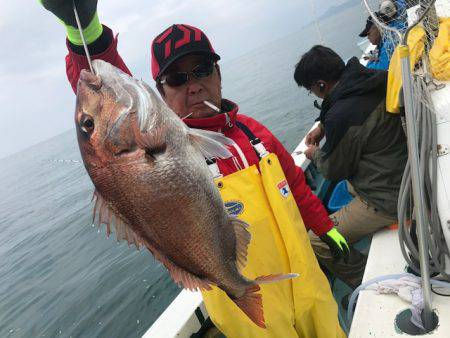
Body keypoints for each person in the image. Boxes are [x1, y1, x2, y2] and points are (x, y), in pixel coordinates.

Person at [40, 1, 348, 337]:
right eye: (176, 78)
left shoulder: (254, 133)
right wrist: (85, 32)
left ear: (219, 73)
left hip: (308, 282)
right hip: (246, 312)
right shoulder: (168, 141)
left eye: (202, 69)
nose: (193, 84)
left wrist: (324, 226)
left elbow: (296, 186)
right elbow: (106, 100)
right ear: (161, 94)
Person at [294, 45, 408, 291]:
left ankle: (365, 281)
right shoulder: (371, 77)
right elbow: (341, 101)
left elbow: (333, 170)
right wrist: (323, 126)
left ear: (321, 84)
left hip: (388, 197)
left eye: (312, 89)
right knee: (348, 187)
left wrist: (314, 155)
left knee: (318, 240)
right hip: (402, 169)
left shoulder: (344, 116)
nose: (314, 94)